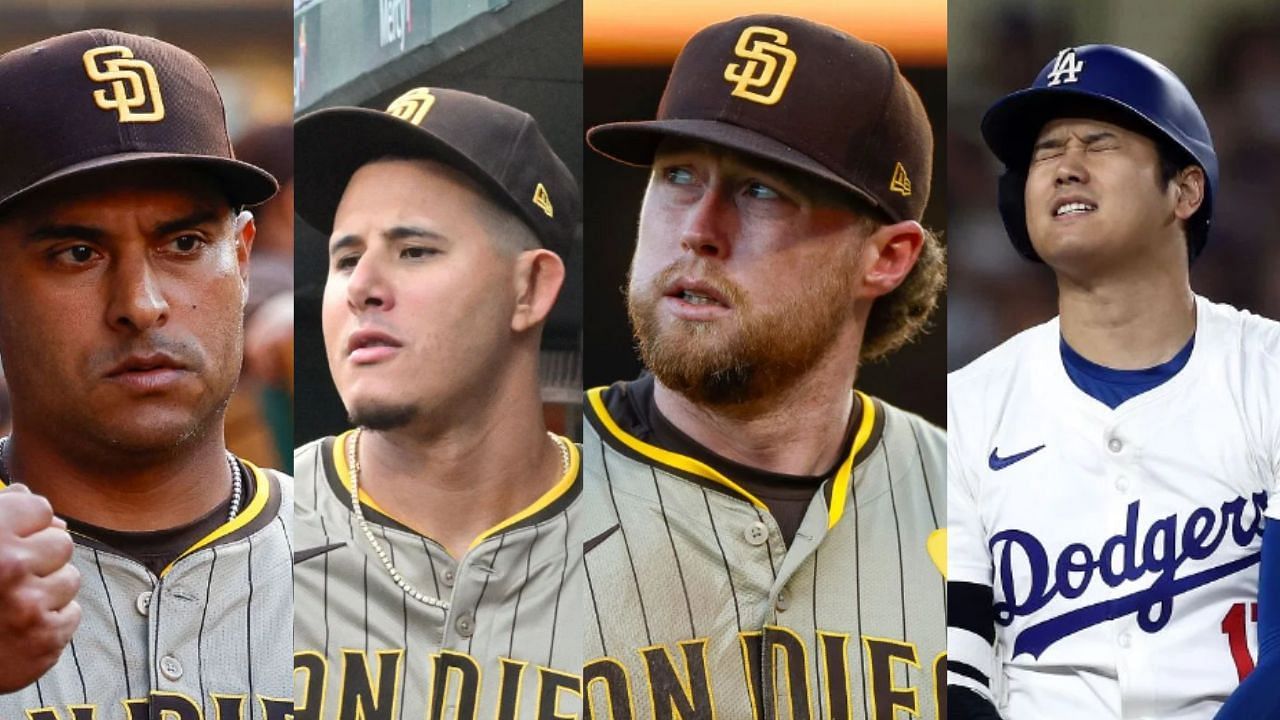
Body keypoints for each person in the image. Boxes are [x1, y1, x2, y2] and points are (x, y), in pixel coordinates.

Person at [580, 14, 948, 717]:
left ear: (886, 257)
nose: (698, 229)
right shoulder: (519, 493)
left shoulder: (975, 502)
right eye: (678, 175)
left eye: (761, 191)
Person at [948, 45, 1280, 719]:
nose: (1065, 166)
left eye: (1099, 143)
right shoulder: (968, 408)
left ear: (1184, 191)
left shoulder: (1268, 375)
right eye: (1045, 152)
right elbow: (957, 674)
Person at [0, 29, 293, 716]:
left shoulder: (375, 565)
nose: (141, 305)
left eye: (184, 243)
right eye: (77, 253)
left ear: (243, 259)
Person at [291, 87, 583, 718]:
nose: (361, 288)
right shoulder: (252, 540)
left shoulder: (656, 542)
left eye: (414, 251)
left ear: (530, 287)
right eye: (345, 259)